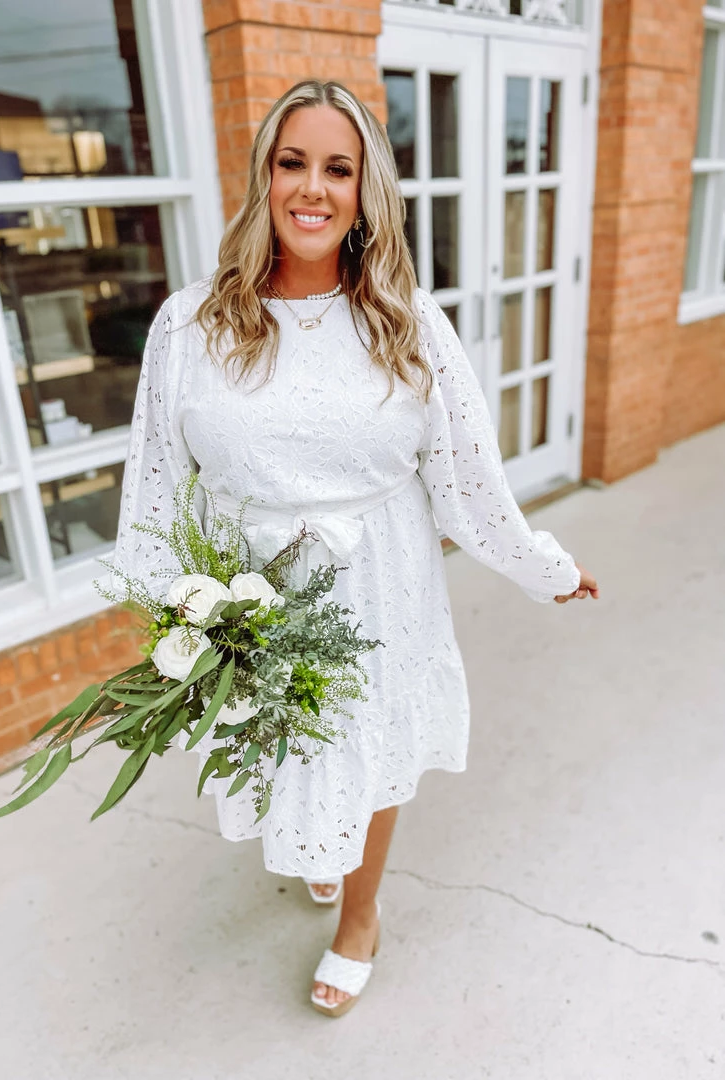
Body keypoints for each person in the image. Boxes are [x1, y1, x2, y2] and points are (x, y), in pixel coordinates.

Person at [112, 80, 599, 1018]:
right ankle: (322, 848)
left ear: (366, 191)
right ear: (263, 176)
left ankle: (361, 916)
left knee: (370, 749)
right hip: (247, 587)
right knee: (283, 740)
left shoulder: (407, 321)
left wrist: (544, 566)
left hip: (380, 583)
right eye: (293, 162)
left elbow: (468, 481)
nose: (313, 188)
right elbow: (157, 480)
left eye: (339, 169)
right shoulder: (190, 324)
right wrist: (167, 604)